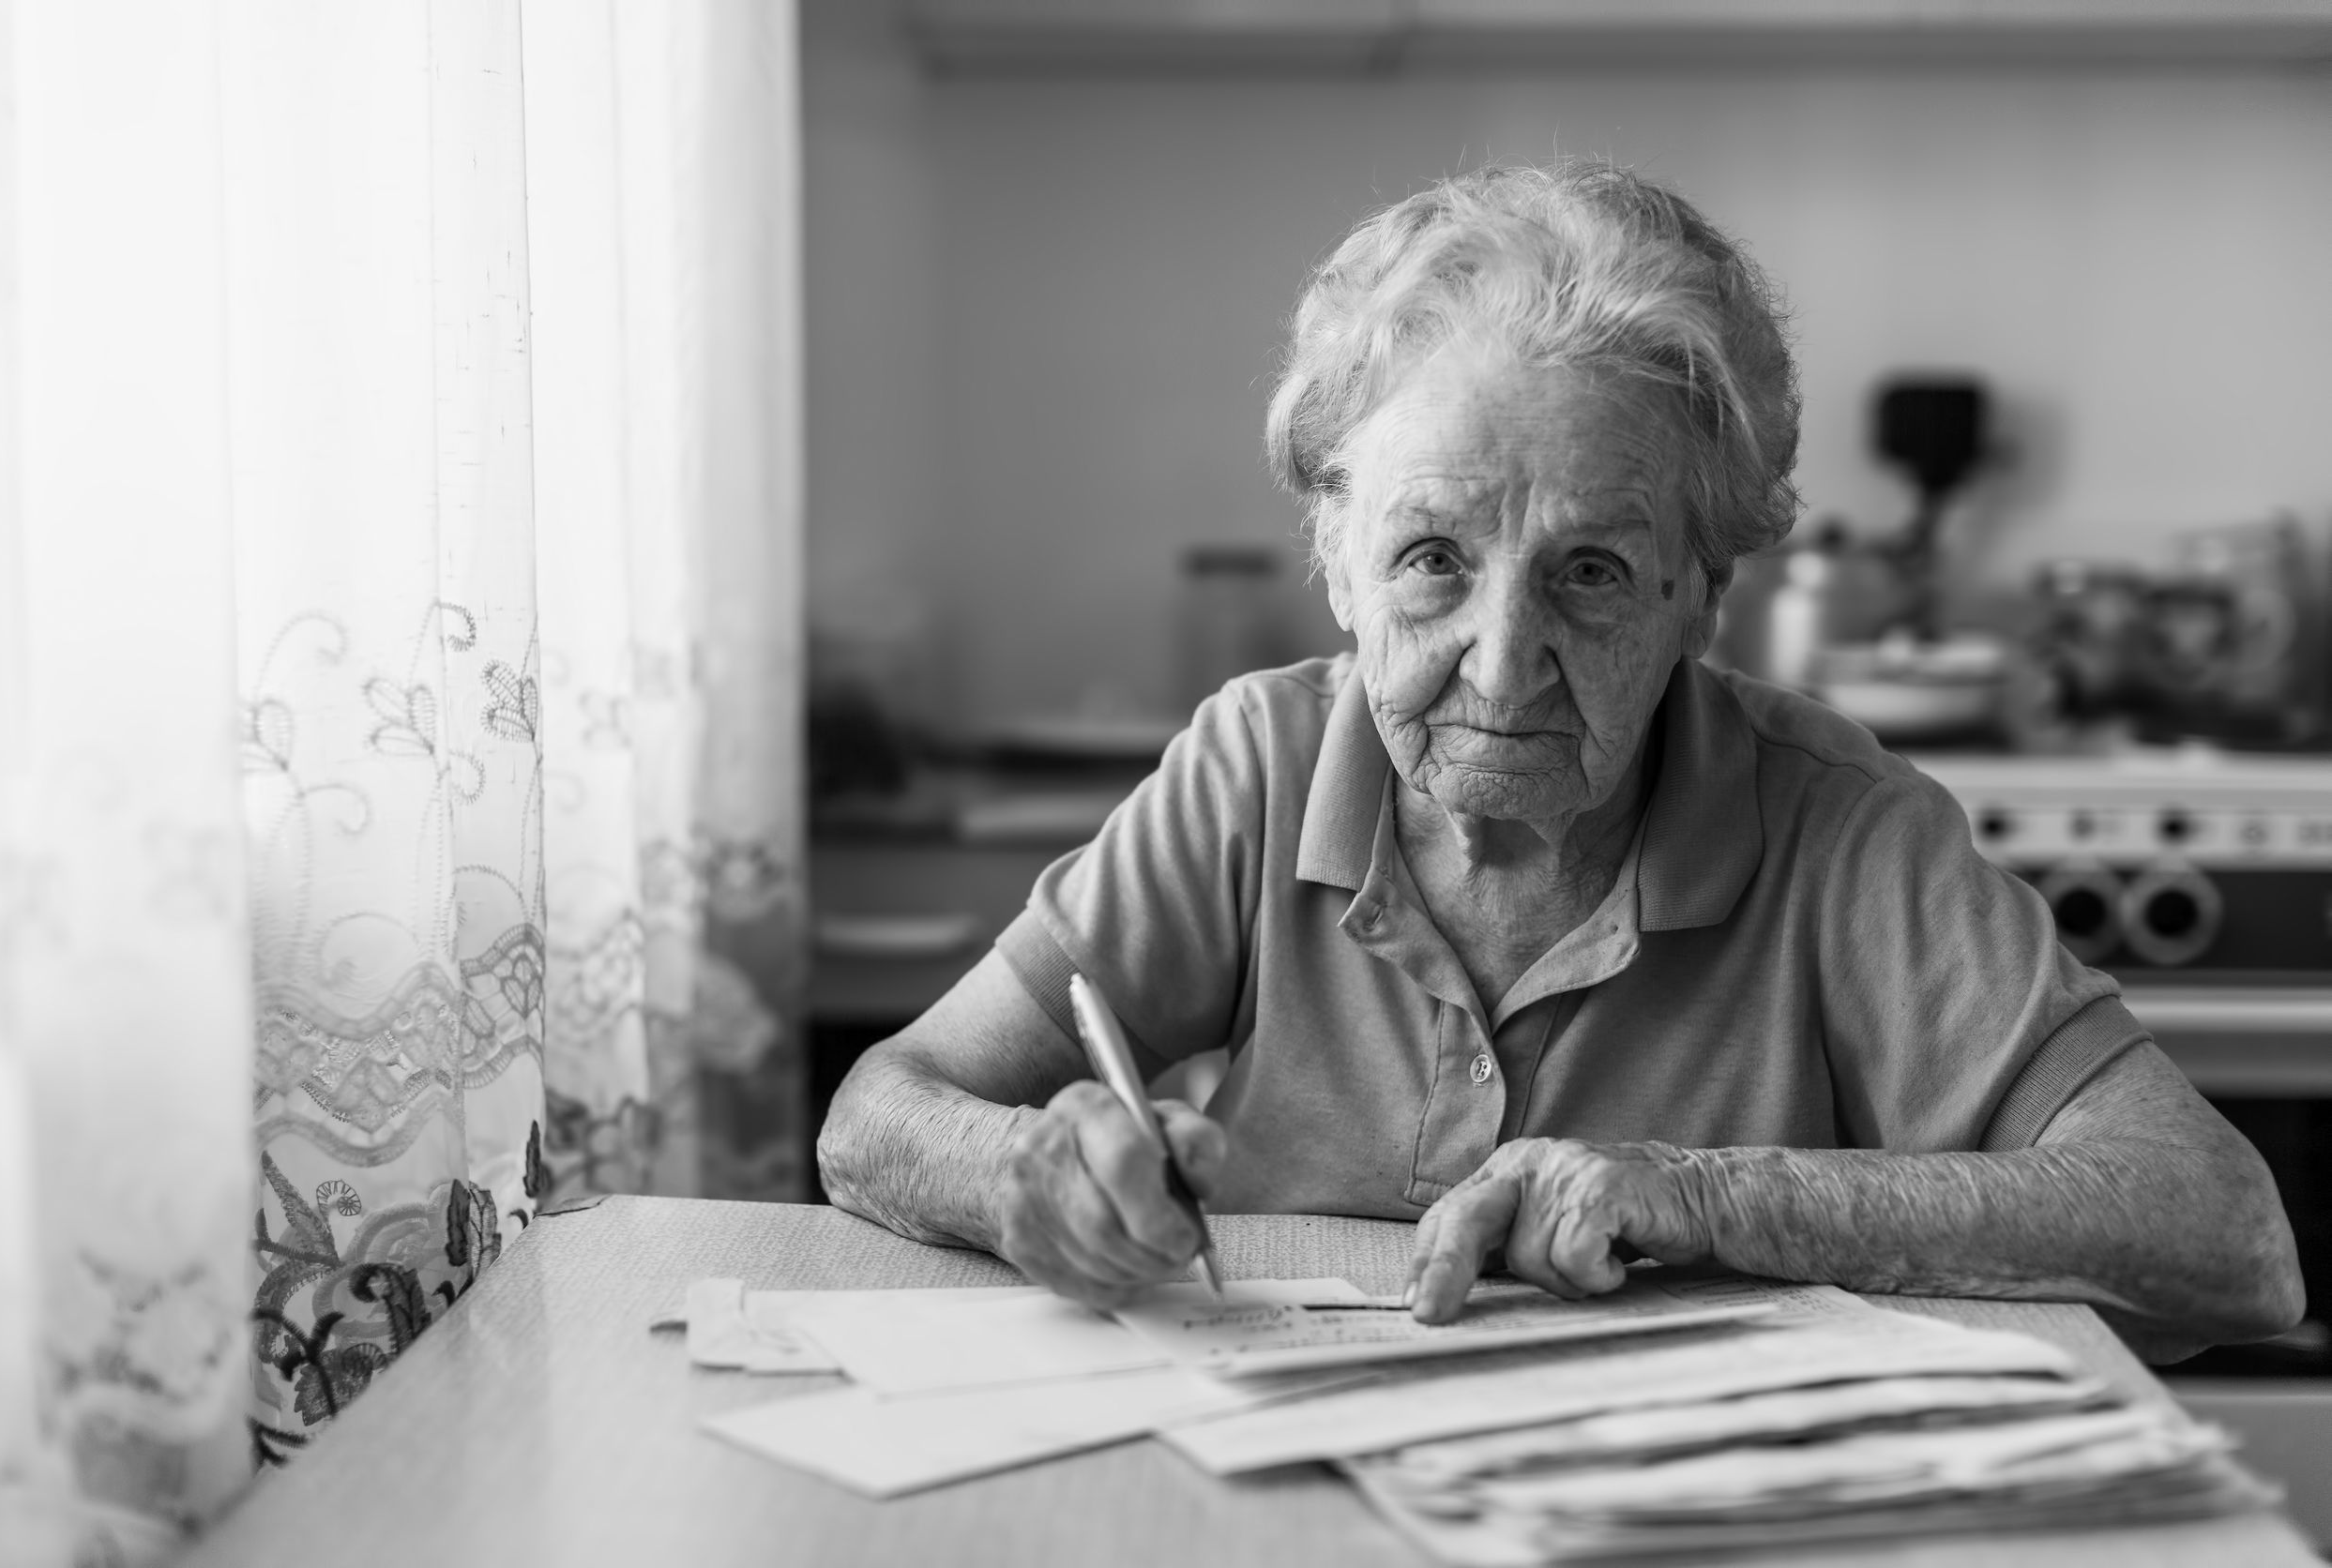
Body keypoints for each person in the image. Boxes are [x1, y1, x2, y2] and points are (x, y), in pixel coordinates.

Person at [817, 161, 2302, 1361]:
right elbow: (884, 1108)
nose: (1501, 656)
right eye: (1432, 560)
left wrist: (1712, 1195)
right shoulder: (1258, 766)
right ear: (1335, 559)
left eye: (1591, 572)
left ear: (1700, 601)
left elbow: (2227, 1238)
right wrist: (1029, 1181)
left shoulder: (1843, 830)